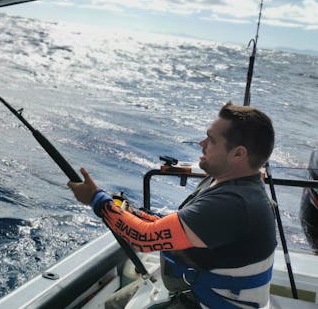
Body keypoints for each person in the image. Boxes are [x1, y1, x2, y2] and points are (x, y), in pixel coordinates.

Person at [68, 102, 277, 308]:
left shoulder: (231, 205)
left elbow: (143, 238)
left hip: (210, 301)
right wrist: (130, 212)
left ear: (238, 154)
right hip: (196, 289)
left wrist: (96, 199)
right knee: (114, 304)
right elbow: (180, 226)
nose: (201, 143)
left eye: (211, 140)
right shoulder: (230, 183)